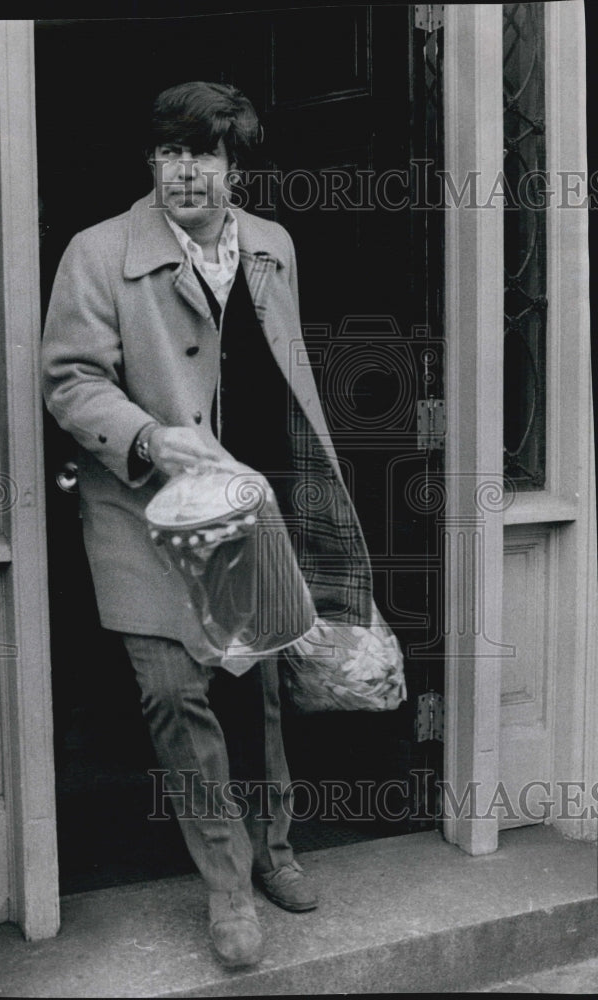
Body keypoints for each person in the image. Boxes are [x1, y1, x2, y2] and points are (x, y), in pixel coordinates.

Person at [41, 80, 372, 969]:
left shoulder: (272, 245)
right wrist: (149, 435)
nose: (189, 171)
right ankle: (227, 888)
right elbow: (70, 379)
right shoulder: (98, 252)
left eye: (208, 155)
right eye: (173, 154)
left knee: (258, 692)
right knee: (175, 696)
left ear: (237, 166)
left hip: (247, 509)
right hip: (142, 510)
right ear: (152, 162)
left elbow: (283, 371)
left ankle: (276, 850)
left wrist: (293, 487)